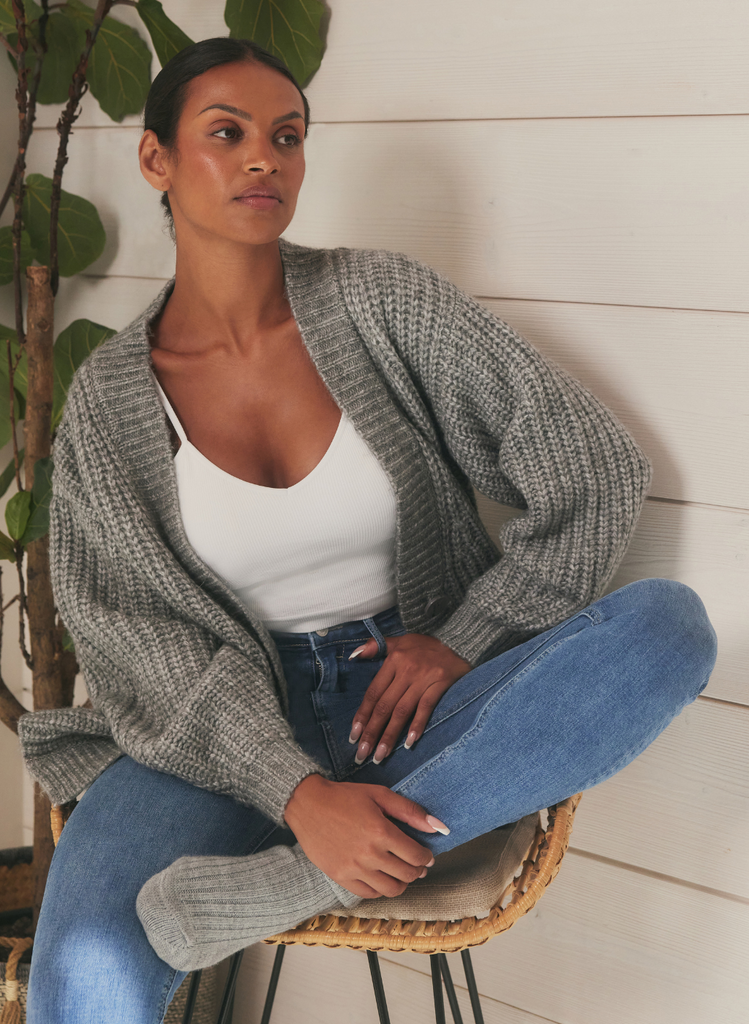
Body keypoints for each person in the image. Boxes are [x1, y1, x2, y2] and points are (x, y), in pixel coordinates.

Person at [19, 37, 717, 1023]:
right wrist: (297, 791)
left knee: (666, 628)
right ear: (156, 160)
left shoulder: (381, 301)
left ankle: (294, 880)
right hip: (221, 734)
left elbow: (591, 467)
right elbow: (136, 637)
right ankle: (326, 842)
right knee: (83, 972)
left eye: (287, 137)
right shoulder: (105, 404)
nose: (265, 158)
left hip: (424, 713)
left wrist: (459, 642)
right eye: (228, 133)